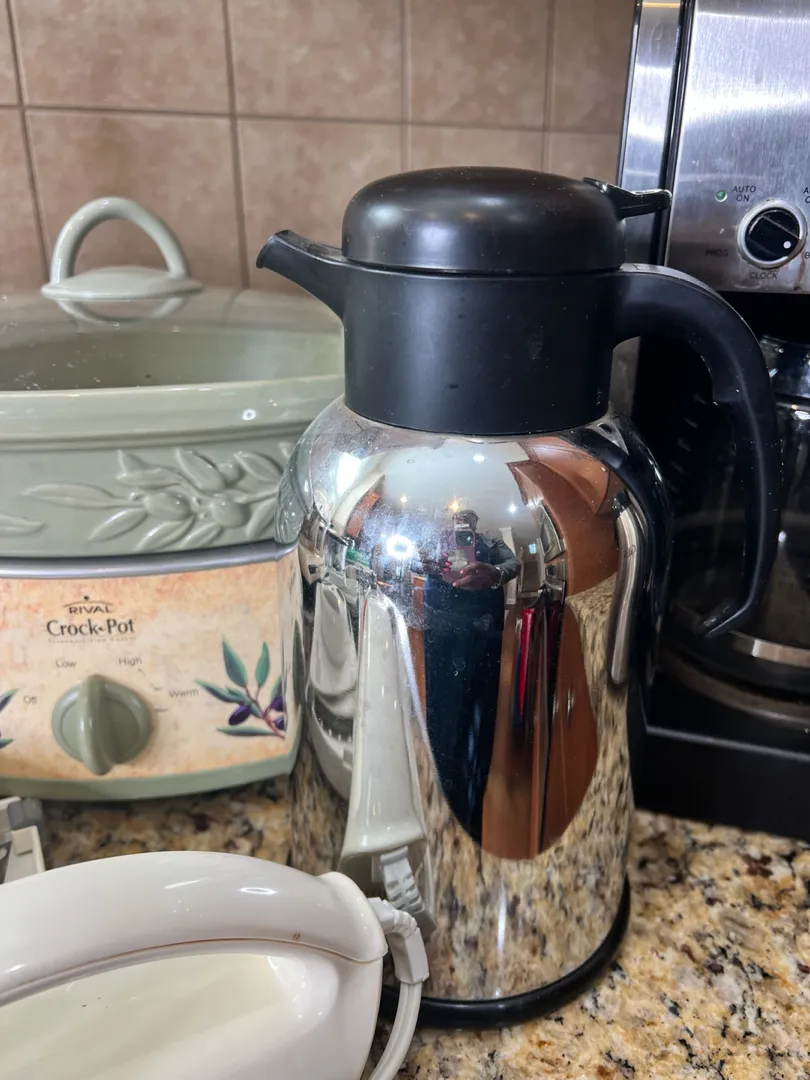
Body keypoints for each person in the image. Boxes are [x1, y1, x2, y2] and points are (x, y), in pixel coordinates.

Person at [420, 511, 518, 843]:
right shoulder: (438, 541)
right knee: (440, 704)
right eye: (458, 521)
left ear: (475, 525)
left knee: (481, 706)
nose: (462, 528)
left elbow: (513, 565)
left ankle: (470, 814)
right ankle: (437, 798)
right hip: (441, 625)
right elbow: (418, 562)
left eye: (467, 523)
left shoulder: (492, 542)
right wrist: (427, 563)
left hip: (483, 628)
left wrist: (495, 574)